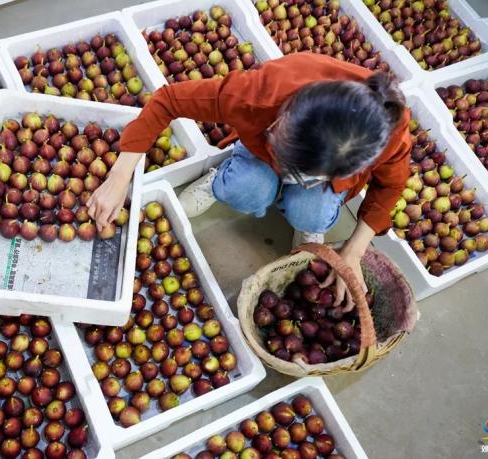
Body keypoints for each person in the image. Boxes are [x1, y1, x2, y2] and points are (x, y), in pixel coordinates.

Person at [87, 52, 411, 309]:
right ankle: (221, 180)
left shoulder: (386, 131)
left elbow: (391, 185)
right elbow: (168, 100)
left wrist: (354, 251)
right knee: (248, 188)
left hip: (321, 175)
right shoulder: (259, 94)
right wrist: (120, 175)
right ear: (283, 119)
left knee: (311, 212)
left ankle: (308, 214)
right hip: (260, 151)